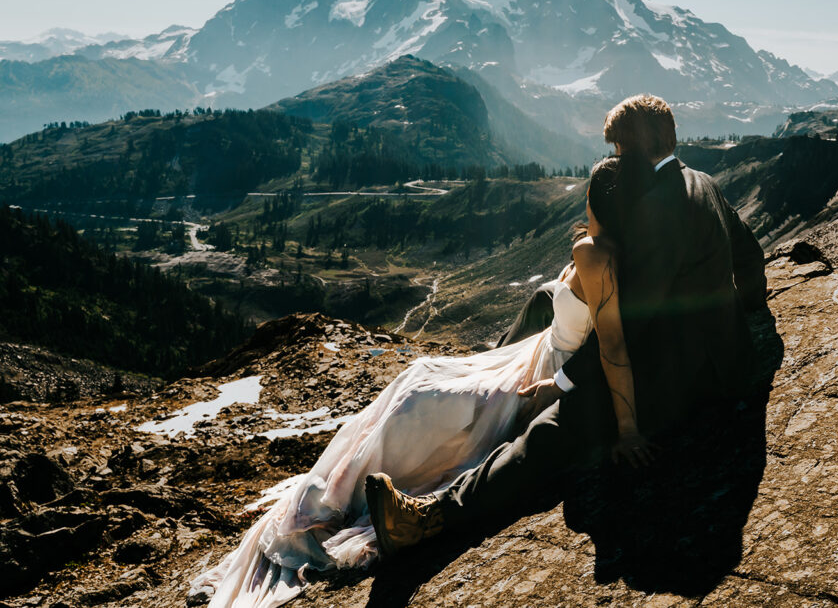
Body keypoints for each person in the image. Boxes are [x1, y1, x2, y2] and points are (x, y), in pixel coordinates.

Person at [189, 155, 653, 608]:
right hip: (531, 354)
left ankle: (348, 499)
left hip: (545, 371)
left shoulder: (592, 254)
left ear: (597, 200)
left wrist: (616, 420)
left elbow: (612, 345)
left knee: (420, 396)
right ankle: (345, 492)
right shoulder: (608, 246)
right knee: (418, 376)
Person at [366, 94, 767, 559]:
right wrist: (747, 314)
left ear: (629, 148)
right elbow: (749, 254)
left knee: (556, 427)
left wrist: (561, 383)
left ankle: (431, 518)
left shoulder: (659, 207)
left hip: (681, 376)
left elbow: (630, 326)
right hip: (722, 357)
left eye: (617, 149)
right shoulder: (704, 182)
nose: (616, 160)